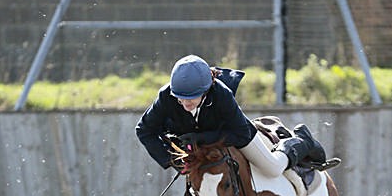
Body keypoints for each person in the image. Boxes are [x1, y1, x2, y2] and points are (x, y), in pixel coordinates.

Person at [135, 54, 325, 177]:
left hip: (234, 133)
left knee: (273, 169)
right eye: (180, 98)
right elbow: (144, 130)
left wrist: (201, 138)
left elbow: (240, 134)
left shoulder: (221, 94)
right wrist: (171, 160)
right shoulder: (166, 95)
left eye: (191, 98)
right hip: (201, 145)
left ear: (206, 89)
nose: (185, 104)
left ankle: (301, 141)